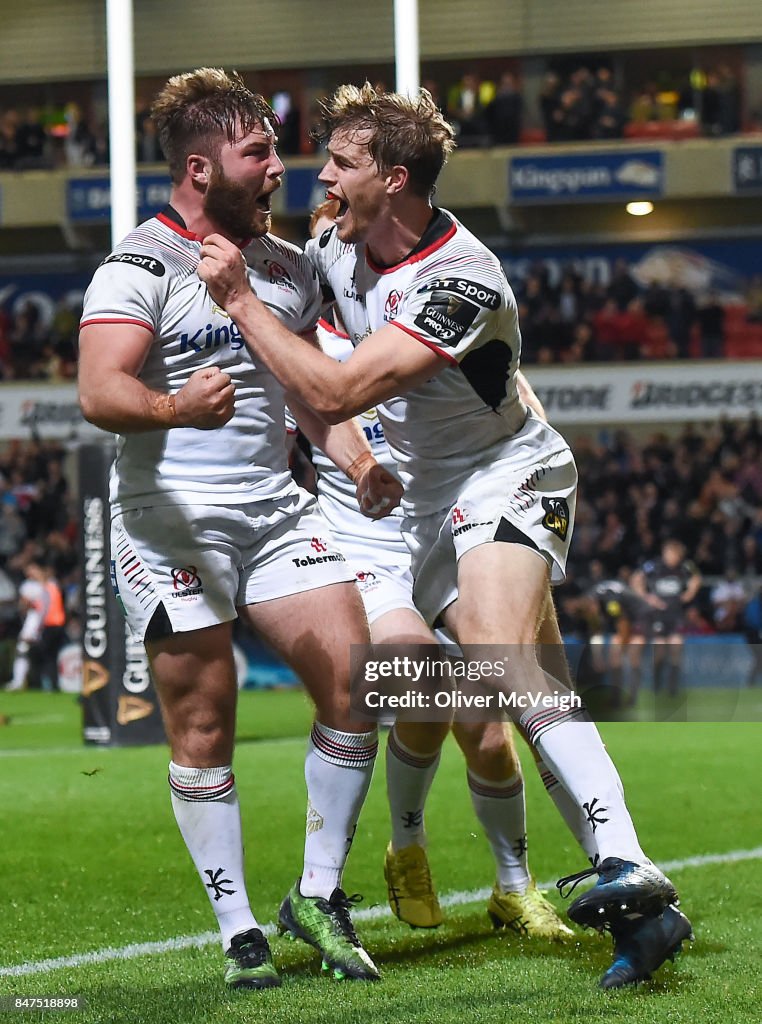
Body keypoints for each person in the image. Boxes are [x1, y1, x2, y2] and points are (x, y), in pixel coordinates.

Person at [197, 83, 693, 989]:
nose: (324, 178)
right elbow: (316, 374)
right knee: (535, 697)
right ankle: (648, 912)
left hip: (508, 472)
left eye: (342, 165)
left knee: (503, 670)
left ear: (395, 178)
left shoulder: (462, 278)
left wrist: (239, 302)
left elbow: (343, 390)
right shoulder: (336, 251)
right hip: (424, 508)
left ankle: (609, 861)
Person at [77, 68, 406, 990]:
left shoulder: (286, 270)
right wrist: (178, 406)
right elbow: (101, 391)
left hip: (272, 512)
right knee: (205, 719)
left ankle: (317, 895)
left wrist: (356, 457)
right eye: (257, 150)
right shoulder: (139, 264)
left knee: (356, 686)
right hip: (167, 523)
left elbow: (310, 395)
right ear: (198, 166)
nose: (278, 165)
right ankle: (237, 932)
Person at [286, 201, 573, 941]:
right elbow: (304, 417)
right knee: (420, 680)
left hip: (450, 529)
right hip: (370, 551)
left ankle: (515, 888)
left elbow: (504, 398)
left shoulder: (413, 309)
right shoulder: (300, 342)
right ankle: (407, 846)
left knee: (486, 723)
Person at [629, 540, 703, 700]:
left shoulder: (685, 566)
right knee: (660, 649)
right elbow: (636, 579)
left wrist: (689, 593)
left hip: (675, 614)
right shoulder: (654, 566)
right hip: (658, 615)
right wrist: (647, 597)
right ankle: (657, 683)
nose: (673, 557)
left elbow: (696, 578)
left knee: (676, 646)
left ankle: (673, 687)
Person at [4, 560, 48, 691]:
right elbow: (23, 606)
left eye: (32, 569)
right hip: (33, 620)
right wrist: (27, 604)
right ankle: (19, 681)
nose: (30, 572)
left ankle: (35, 682)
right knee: (23, 648)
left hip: (46, 621)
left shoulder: (47, 584)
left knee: (41, 654)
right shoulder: (27, 585)